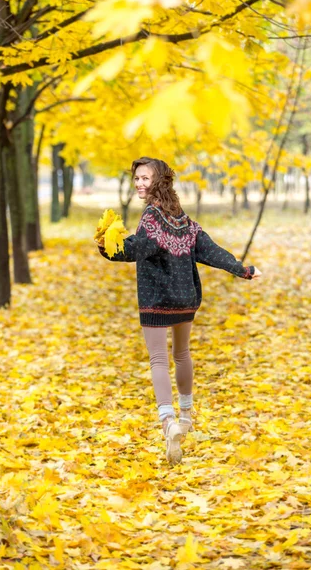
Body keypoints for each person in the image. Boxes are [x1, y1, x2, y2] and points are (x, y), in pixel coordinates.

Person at [98, 157, 261, 465]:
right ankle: (186, 415)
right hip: (185, 298)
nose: (139, 183)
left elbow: (137, 249)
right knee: (182, 354)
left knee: (158, 358)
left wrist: (108, 246)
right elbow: (209, 250)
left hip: (156, 299)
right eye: (136, 179)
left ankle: (168, 422)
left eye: (145, 178)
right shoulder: (182, 218)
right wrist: (241, 269)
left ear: (159, 180)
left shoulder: (150, 217)